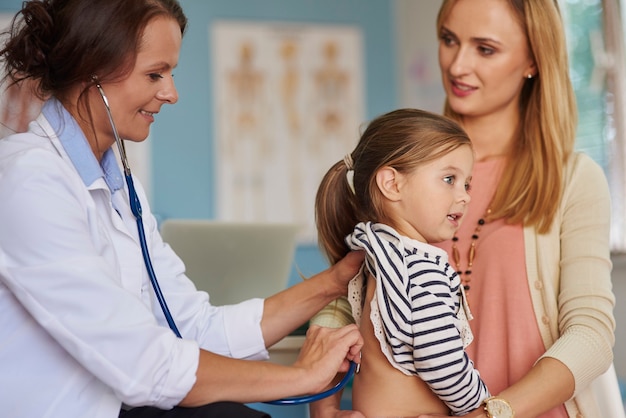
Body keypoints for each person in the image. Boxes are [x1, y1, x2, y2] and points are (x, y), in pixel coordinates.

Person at [0, 1, 365, 417]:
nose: (171, 93)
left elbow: (194, 328)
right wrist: (303, 377)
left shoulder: (120, 188)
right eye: (155, 74)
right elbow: (143, 361)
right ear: (92, 69)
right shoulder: (27, 180)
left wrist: (336, 280)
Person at [310, 0, 617, 417]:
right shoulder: (406, 166)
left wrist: (491, 413)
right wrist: (322, 405)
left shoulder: (574, 180)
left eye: (485, 49)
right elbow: (346, 287)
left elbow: (591, 334)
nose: (457, 65)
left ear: (533, 60)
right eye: (449, 40)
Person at [313, 107, 491, 417]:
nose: (464, 196)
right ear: (392, 184)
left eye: (467, 184)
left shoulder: (378, 256)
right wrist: (482, 405)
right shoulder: (422, 267)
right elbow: (441, 360)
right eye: (449, 179)